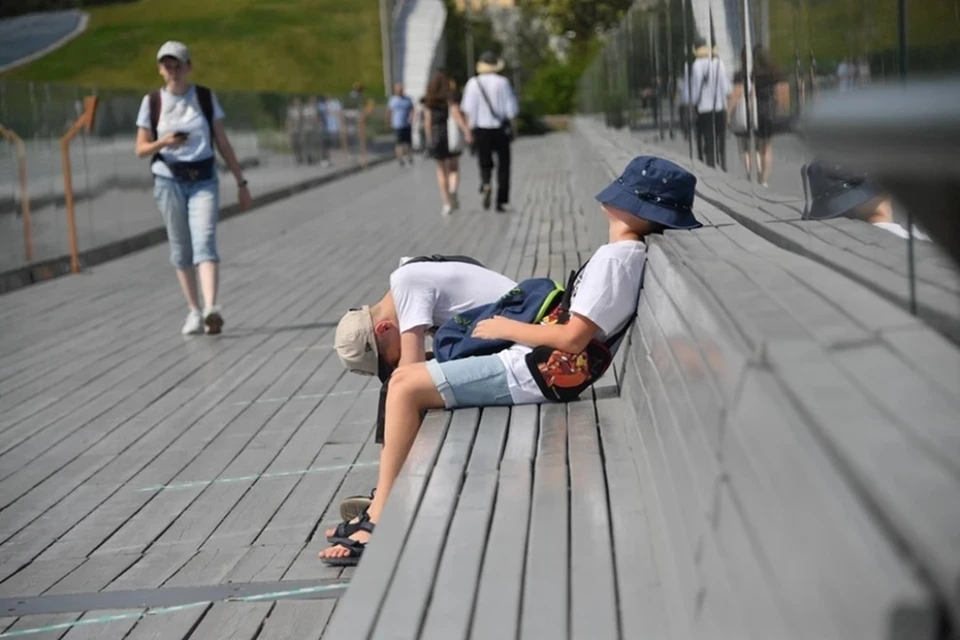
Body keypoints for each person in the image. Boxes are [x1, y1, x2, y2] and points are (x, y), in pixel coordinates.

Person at [319, 156, 703, 565]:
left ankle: (381, 516)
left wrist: (507, 328)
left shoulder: (618, 259)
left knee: (403, 386)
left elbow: (573, 338)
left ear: (631, 207)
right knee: (404, 385)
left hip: (528, 373)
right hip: (531, 368)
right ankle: (385, 499)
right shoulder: (622, 254)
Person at [332, 255, 518, 520]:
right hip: (515, 343)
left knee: (399, 388)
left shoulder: (406, 283)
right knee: (406, 388)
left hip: (522, 355)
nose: (394, 363)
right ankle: (394, 484)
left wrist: (399, 376)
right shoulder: (412, 272)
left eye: (388, 360)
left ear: (384, 328)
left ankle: (389, 492)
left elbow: (408, 372)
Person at [135, 41, 252, 336]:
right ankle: (194, 311)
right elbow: (140, 149)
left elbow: (223, 143)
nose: (173, 71)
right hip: (168, 180)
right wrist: (165, 142)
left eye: (178, 65)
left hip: (203, 178)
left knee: (205, 240)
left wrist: (241, 182)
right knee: (180, 247)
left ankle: (212, 307)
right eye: (167, 65)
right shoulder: (152, 102)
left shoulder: (204, 97)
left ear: (188, 67)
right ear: (160, 70)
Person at [461, 51, 518, 212]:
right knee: (504, 165)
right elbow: (511, 110)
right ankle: (501, 200)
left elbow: (468, 109)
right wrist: (514, 129)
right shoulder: (503, 82)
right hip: (500, 129)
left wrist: (469, 131)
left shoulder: (473, 83)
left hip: (481, 129)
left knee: (484, 161)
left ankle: (486, 183)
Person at [423, 71, 473, 216]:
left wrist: (429, 139)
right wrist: (466, 131)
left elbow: (428, 122)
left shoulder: (429, 101)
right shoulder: (450, 98)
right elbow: (456, 115)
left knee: (441, 170)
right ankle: (453, 189)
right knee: (454, 167)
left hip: (437, 137)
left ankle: (446, 204)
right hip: (452, 137)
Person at [689, 38, 731, 170]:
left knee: (709, 139)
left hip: (704, 108)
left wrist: (693, 104)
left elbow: (695, 90)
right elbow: (726, 88)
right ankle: (723, 164)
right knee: (721, 136)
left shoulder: (696, 66)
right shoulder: (718, 63)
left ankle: (711, 165)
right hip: (719, 106)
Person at [387, 83, 415, 167]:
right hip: (397, 124)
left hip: (406, 124)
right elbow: (389, 111)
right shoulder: (393, 100)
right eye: (398, 90)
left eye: (401, 89)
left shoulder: (407, 99)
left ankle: (409, 156)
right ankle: (400, 158)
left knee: (408, 142)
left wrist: (412, 117)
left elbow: (412, 109)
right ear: (395, 91)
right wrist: (388, 122)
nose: (400, 91)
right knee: (399, 143)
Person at [286, 97, 305, 165]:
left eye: (298, 102)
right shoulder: (292, 111)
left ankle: (301, 158)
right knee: (294, 145)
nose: (297, 104)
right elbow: (289, 120)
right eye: (296, 102)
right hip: (293, 130)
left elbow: (303, 120)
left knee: (300, 144)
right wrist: (289, 129)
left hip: (300, 130)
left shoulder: (302, 110)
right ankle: (297, 159)